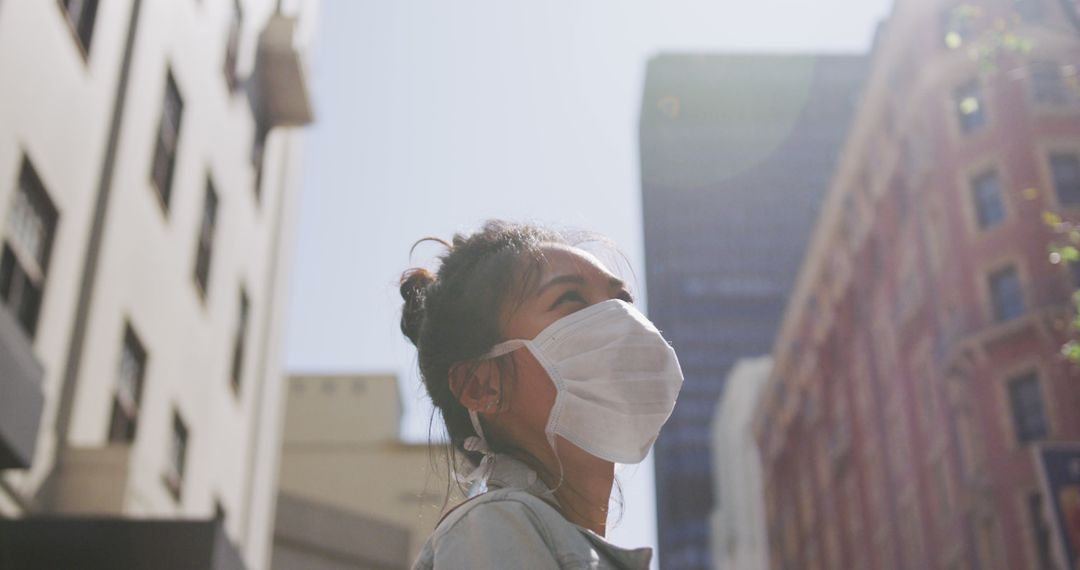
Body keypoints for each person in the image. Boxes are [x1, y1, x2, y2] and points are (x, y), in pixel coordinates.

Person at [400, 220, 683, 569]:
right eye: (571, 300)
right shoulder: (494, 524)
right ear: (480, 385)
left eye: (622, 300)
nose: (619, 319)